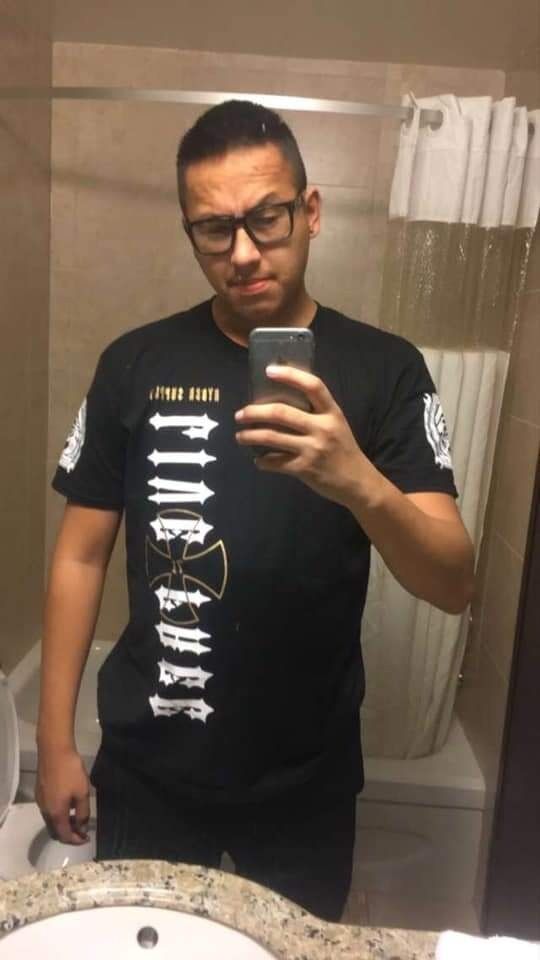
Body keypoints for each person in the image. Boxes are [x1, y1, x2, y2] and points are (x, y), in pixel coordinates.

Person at [36, 99, 474, 922]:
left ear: (310, 212)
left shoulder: (386, 370)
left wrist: (357, 479)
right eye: (214, 229)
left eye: (266, 218)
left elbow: (452, 582)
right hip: (149, 768)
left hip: (305, 781)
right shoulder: (135, 362)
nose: (242, 253)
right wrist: (54, 741)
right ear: (190, 233)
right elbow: (80, 555)